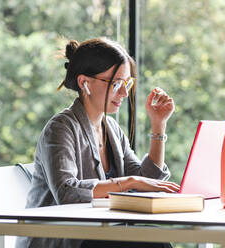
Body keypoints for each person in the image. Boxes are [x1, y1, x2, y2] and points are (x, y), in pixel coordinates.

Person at [16, 37, 179, 248]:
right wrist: (128, 183)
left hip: (98, 236)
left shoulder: (111, 129)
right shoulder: (60, 128)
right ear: (85, 82)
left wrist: (158, 125)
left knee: (155, 240)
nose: (124, 92)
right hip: (61, 240)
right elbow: (67, 192)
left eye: (127, 83)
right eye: (117, 83)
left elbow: (147, 182)